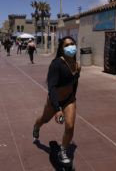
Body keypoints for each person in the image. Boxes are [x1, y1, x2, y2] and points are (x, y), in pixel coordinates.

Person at [33, 36, 81, 166]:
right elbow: (52, 87)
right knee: (44, 119)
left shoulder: (77, 65)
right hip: (54, 100)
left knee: (70, 126)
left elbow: (75, 83)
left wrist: (73, 98)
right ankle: (36, 127)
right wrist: (56, 109)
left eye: (72, 44)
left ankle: (63, 151)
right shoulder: (56, 64)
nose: (70, 47)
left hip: (69, 99)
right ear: (61, 48)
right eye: (66, 45)